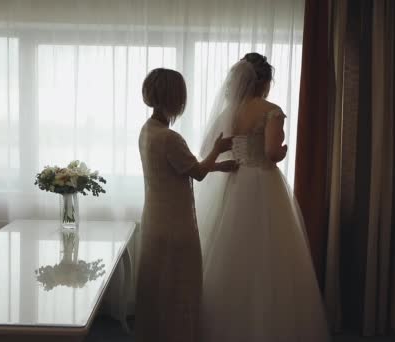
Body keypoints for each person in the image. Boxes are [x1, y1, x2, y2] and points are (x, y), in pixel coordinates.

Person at [196, 53, 330, 341]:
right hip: (263, 183)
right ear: (266, 82)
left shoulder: (229, 111)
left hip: (234, 181)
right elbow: (271, 152)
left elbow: (210, 145)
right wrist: (282, 151)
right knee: (270, 253)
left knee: (231, 249)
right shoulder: (271, 110)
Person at [135, 68, 238, 342]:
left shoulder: (147, 131)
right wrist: (218, 148)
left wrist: (217, 165)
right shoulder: (171, 138)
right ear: (176, 99)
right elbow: (198, 172)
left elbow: (177, 169)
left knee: (159, 285)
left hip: (155, 218)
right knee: (181, 286)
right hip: (176, 224)